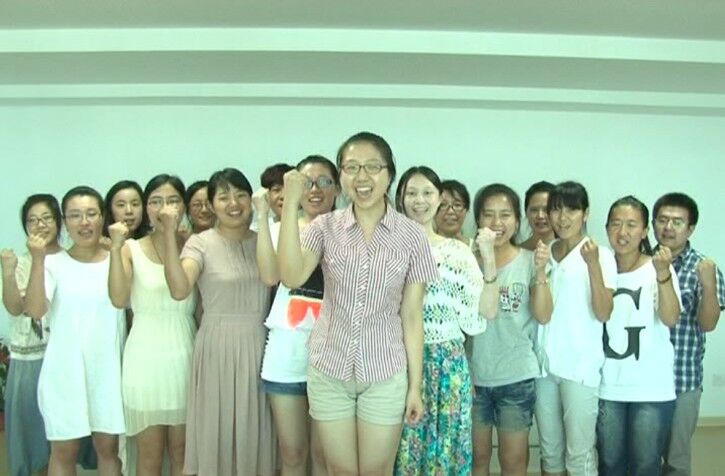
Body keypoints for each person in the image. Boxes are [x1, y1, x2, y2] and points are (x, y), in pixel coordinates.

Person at [277, 132, 439, 475]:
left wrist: (414, 386)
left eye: (372, 167)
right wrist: (291, 204)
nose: (362, 177)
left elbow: (412, 316)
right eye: (351, 167)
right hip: (329, 369)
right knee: (340, 470)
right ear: (341, 176)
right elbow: (291, 275)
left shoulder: (412, 236)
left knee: (376, 471)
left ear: (390, 174)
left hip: (384, 371)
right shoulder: (324, 227)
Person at [161, 168, 276, 475]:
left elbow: (271, 276)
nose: (233, 203)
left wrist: (264, 220)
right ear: (210, 205)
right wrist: (170, 236)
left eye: (240, 195)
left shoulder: (264, 239)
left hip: (259, 345)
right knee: (218, 428)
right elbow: (179, 288)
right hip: (217, 348)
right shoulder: (200, 243)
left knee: (256, 429)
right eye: (223, 197)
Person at [393, 166, 496, 475]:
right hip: (398, 360)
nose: (419, 200)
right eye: (411, 193)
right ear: (400, 198)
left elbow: (483, 316)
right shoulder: (388, 247)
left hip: (448, 364)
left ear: (439, 199)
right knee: (405, 450)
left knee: (448, 450)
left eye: (427, 193)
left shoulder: (457, 252)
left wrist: (488, 259)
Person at [25, 186, 126, 476]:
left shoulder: (117, 259)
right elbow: (35, 310)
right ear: (64, 222)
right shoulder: (53, 263)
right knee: (63, 452)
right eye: (75, 215)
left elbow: (122, 300)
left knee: (108, 450)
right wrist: (37, 260)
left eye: (91, 214)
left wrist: (116, 248)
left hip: (107, 372)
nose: (84, 222)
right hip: (64, 373)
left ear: (103, 217)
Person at [254, 155, 338, 476]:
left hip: (333, 356)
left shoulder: (348, 230)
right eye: (305, 183)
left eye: (324, 182)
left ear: (337, 188)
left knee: (324, 454)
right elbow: (269, 275)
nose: (314, 190)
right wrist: (264, 217)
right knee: (292, 452)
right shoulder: (280, 229)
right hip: (286, 353)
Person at [108, 174, 196, 476]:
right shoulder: (130, 248)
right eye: (156, 201)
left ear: (183, 207)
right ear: (147, 208)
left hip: (186, 355)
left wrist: (173, 235)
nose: (164, 208)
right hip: (144, 361)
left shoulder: (196, 245)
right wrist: (116, 247)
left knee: (184, 452)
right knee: (150, 456)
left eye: (172, 200)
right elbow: (119, 298)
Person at [469, 184, 553, 476]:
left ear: (518, 221)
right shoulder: (467, 261)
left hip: (517, 377)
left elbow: (543, 315)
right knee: (476, 460)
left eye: (505, 215)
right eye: (488, 215)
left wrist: (541, 273)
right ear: (478, 220)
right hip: (473, 378)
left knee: (514, 463)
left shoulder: (530, 261)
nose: (497, 223)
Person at [534, 181, 616, 476]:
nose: (562, 217)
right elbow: (543, 316)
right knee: (550, 452)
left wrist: (592, 264)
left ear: (586, 213)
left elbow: (604, 312)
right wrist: (541, 270)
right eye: (556, 209)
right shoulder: (546, 252)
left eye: (571, 209)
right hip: (545, 368)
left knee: (579, 455)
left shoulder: (601, 254)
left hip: (580, 369)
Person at [597, 195, 682, 476]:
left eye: (632, 225)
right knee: (610, 465)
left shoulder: (657, 267)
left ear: (645, 230)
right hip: (608, 386)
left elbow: (670, 318)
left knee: (645, 466)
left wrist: (662, 275)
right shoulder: (598, 267)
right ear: (607, 227)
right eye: (616, 224)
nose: (623, 232)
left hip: (651, 389)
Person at [653, 193, 725, 476]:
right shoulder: (640, 260)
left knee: (676, 460)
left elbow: (708, 324)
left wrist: (708, 286)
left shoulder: (704, 267)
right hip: (641, 379)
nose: (668, 227)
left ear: (690, 228)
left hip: (681, 379)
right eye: (662, 220)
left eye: (677, 221)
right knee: (641, 457)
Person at [1, 194, 62, 476]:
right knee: (31, 431)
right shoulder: (22, 262)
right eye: (32, 220)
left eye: (46, 218)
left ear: (59, 221)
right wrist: (8, 272)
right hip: (30, 354)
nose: (39, 225)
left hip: (63, 353)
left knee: (63, 435)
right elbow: (16, 308)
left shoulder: (71, 258)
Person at [519, 181, 556, 251]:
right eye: (534, 210)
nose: (540, 216)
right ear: (526, 212)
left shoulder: (572, 252)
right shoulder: (517, 253)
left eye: (546, 209)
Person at [435, 179, 471, 244]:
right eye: (443, 205)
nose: (450, 211)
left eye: (457, 205)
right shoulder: (423, 246)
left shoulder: (477, 248)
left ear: (466, 210)